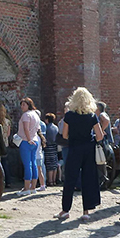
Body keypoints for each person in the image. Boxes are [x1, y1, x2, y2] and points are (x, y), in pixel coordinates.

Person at [53, 87, 104, 221]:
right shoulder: (92, 116)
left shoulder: (69, 115)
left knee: (70, 178)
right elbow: (99, 136)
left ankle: (65, 210)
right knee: (88, 178)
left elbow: (64, 135)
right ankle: (86, 211)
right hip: (88, 148)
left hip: (74, 148)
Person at [16, 97, 40, 196]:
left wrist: (29, 139)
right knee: (33, 163)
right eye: (21, 104)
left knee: (27, 165)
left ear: (28, 105)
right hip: (35, 140)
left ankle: (26, 188)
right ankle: (33, 187)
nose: (22, 106)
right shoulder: (36, 114)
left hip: (26, 141)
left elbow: (26, 128)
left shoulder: (26, 115)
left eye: (24, 105)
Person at [0, 103, 12, 188]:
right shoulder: (7, 122)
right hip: (5, 144)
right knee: (5, 163)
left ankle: (0, 181)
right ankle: (8, 181)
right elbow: (8, 134)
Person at [44, 113, 59, 186]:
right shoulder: (56, 127)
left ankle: (50, 181)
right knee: (54, 164)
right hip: (55, 147)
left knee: (49, 165)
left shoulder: (46, 128)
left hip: (48, 147)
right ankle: (54, 180)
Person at [34, 109, 47, 191]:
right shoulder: (41, 136)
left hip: (36, 155)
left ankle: (36, 185)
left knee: (38, 170)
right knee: (40, 169)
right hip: (40, 154)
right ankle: (42, 184)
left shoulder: (36, 138)